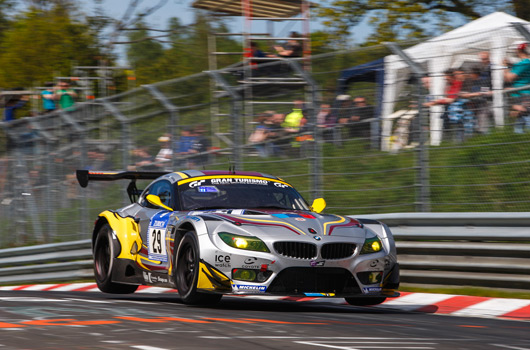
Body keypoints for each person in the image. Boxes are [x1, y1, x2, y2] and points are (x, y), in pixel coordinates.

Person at [503, 43, 530, 133]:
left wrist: (504, 66)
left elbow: (509, 78)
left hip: (521, 94)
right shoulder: (526, 63)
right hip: (524, 93)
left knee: (525, 118)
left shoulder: (523, 63)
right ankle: (520, 139)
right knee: (521, 119)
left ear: (519, 51)